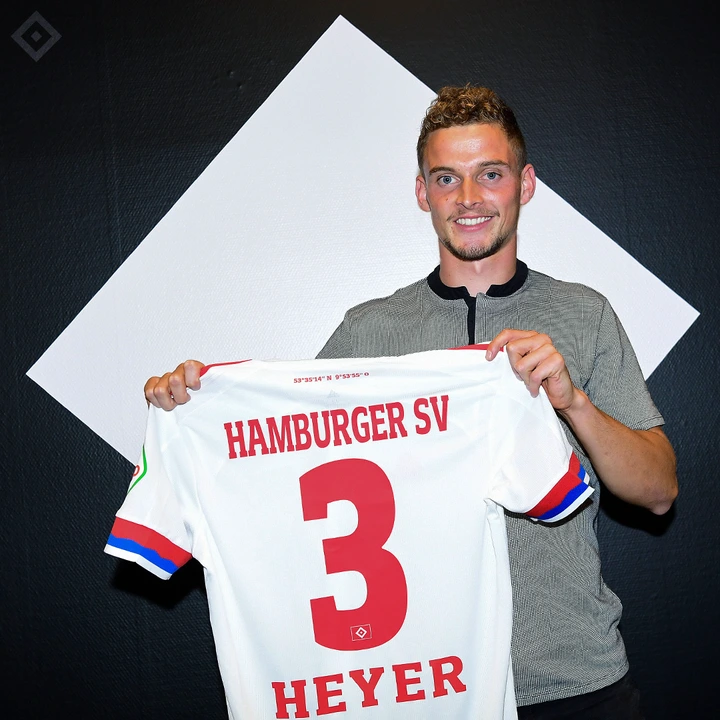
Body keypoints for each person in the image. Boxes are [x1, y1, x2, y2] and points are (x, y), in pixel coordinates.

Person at [144, 85, 677, 718]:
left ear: (526, 184)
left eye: (491, 174)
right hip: (427, 688)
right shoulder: (368, 333)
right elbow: (282, 470)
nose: (469, 197)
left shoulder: (582, 315)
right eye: (447, 178)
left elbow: (658, 492)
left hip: (575, 681)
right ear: (423, 193)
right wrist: (199, 408)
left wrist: (574, 403)